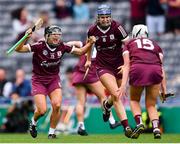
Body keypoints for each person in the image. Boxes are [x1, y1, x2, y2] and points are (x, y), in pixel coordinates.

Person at [14, 25, 96, 139]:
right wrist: (26, 37)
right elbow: (18, 49)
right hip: (39, 80)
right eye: (54, 35)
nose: (57, 37)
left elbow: (81, 52)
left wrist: (90, 43)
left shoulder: (62, 46)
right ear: (47, 36)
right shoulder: (39, 46)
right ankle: (33, 122)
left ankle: (51, 133)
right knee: (42, 111)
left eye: (59, 34)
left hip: (53, 79)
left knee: (57, 105)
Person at [86, 4, 133, 138]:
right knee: (117, 95)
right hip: (103, 67)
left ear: (110, 17)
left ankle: (106, 105)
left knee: (117, 95)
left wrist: (127, 64)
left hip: (119, 66)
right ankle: (127, 127)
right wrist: (89, 60)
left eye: (107, 17)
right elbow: (88, 46)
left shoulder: (118, 28)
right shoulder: (92, 30)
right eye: (102, 17)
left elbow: (128, 45)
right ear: (98, 18)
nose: (105, 19)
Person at [118, 24, 167, 139]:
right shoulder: (156, 45)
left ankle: (139, 123)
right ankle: (156, 128)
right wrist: (164, 89)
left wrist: (123, 85)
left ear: (134, 34)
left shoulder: (129, 44)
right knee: (151, 104)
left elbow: (126, 65)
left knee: (134, 100)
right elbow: (161, 68)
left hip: (138, 68)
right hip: (155, 70)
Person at [67, 41, 121, 136]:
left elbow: (71, 43)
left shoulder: (84, 43)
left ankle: (81, 126)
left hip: (79, 74)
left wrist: (62, 44)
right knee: (103, 98)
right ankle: (112, 121)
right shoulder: (103, 48)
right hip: (91, 75)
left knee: (80, 102)